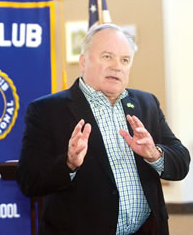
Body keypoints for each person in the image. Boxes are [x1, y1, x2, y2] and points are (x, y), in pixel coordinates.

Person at [16, 24, 190, 235]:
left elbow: (181, 161)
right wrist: (68, 164)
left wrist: (155, 155)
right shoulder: (46, 110)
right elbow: (28, 181)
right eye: (107, 56)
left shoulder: (146, 103)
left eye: (124, 60)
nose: (117, 66)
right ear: (83, 62)